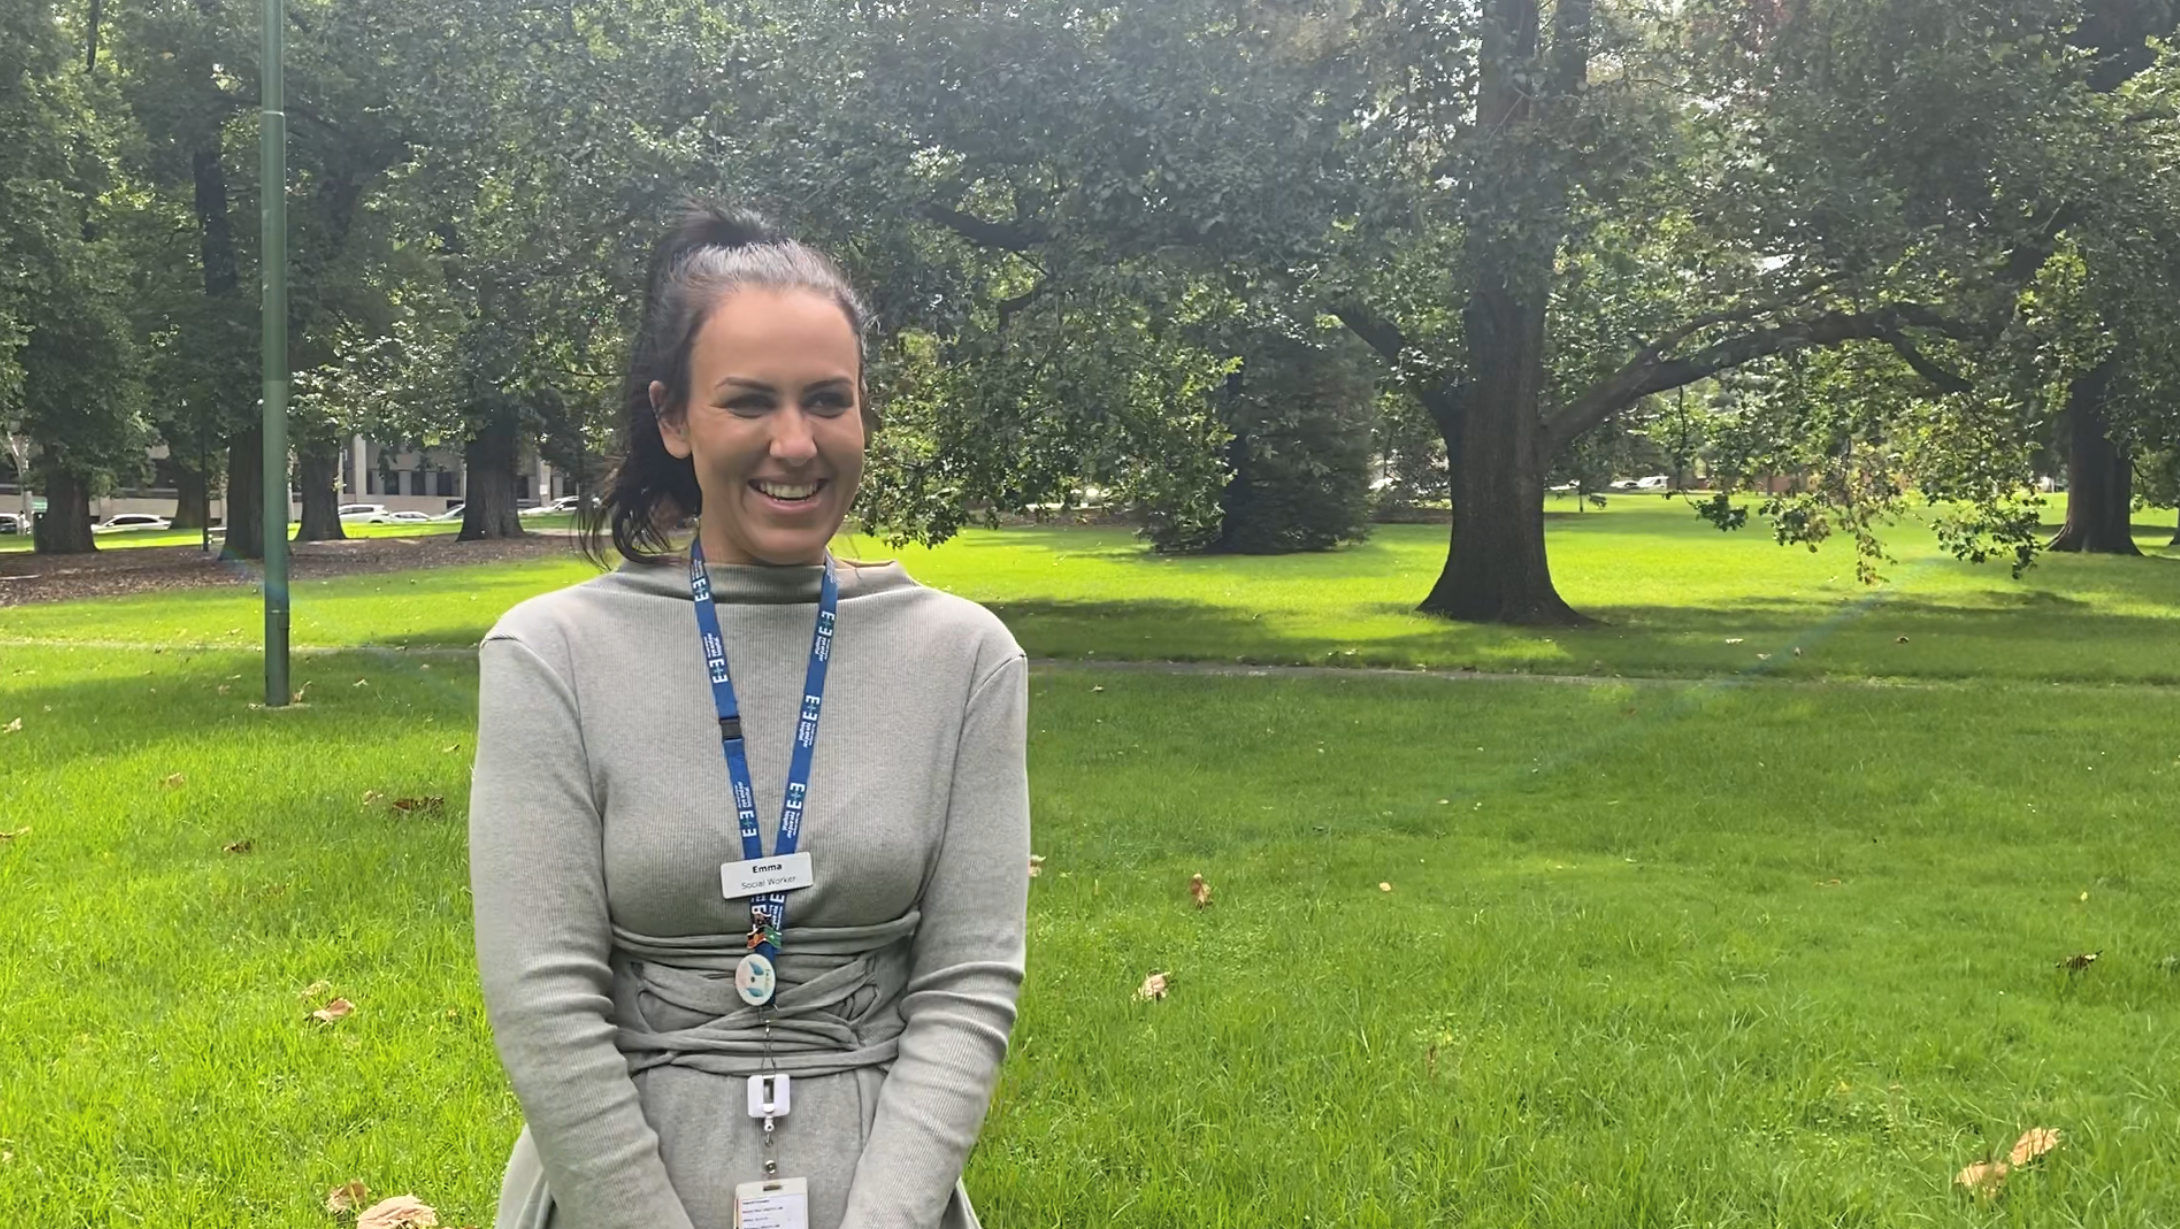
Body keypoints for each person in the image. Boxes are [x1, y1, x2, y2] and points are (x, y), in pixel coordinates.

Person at [467, 203, 1030, 1229]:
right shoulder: (548, 655)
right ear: (674, 418)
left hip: (884, 1197)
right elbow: (544, 1006)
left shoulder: (965, 658)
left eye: (827, 400)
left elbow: (966, 986)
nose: (794, 442)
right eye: (747, 402)